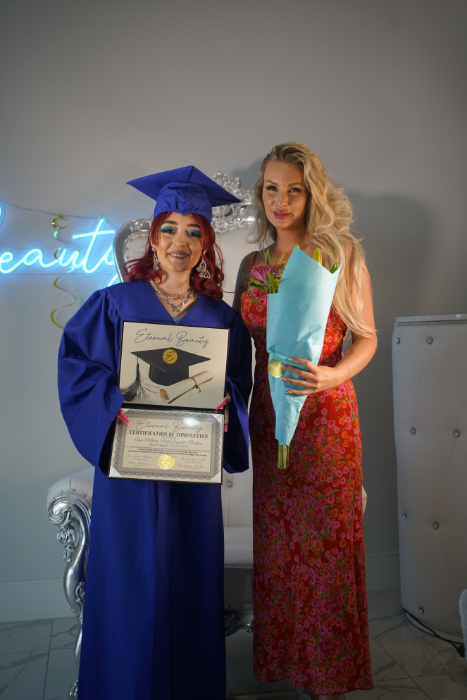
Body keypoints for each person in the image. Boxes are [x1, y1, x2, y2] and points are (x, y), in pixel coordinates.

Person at [58, 166, 252, 700]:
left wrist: (226, 405)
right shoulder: (115, 303)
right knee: (130, 581)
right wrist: (114, 402)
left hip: (192, 471)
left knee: (190, 578)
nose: (178, 243)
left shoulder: (221, 319)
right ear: (152, 236)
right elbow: (79, 370)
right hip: (130, 474)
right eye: (169, 229)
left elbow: (239, 385)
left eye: (193, 232)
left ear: (205, 244)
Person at [233, 144, 377, 700]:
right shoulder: (252, 265)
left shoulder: (340, 254)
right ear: (260, 194)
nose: (282, 201)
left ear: (312, 194)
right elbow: (241, 348)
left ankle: (330, 680)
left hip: (328, 418)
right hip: (269, 418)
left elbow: (366, 338)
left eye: (294, 189)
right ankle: (296, 668)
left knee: (327, 548)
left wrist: (333, 375)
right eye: (271, 189)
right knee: (281, 549)